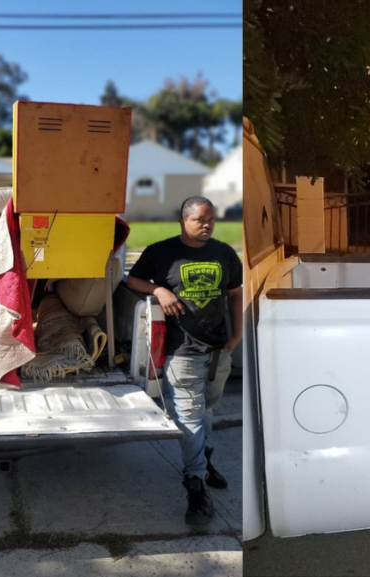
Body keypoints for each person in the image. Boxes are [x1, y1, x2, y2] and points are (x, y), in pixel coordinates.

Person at [126, 196, 243, 526]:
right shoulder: (161, 252)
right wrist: (158, 291)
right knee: (190, 418)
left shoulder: (223, 253)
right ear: (183, 221)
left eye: (211, 220)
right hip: (183, 352)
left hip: (219, 349)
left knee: (206, 409)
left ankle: (204, 463)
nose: (206, 225)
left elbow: (235, 292)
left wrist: (236, 336)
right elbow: (131, 280)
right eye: (199, 220)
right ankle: (196, 488)